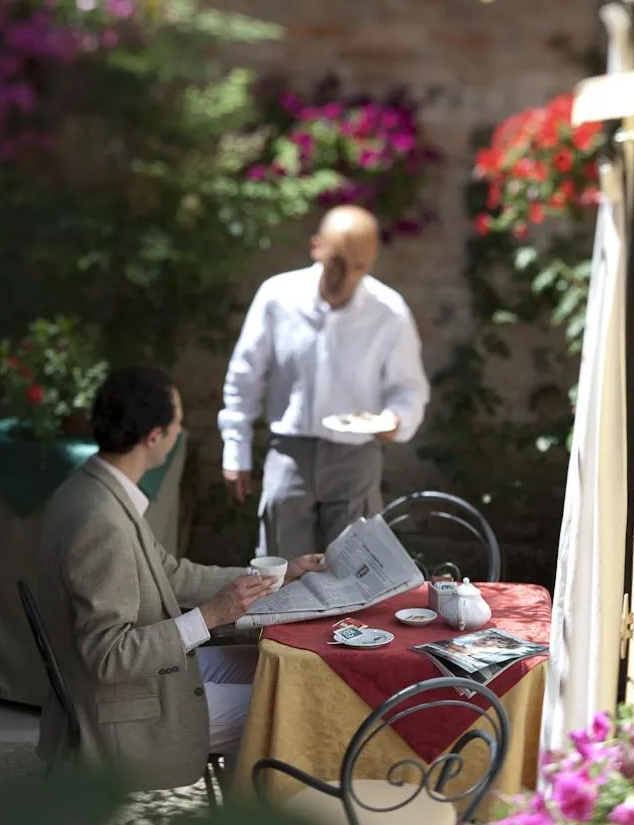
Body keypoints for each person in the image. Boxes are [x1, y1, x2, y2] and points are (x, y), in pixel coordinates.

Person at [36, 366, 324, 790]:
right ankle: (261, 823)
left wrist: (275, 576)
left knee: (271, 666)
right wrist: (210, 616)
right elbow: (109, 656)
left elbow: (169, 573)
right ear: (154, 437)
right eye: (178, 424)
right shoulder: (103, 522)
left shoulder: (91, 487)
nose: (179, 433)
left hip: (127, 689)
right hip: (122, 713)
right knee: (290, 706)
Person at [219, 205, 430, 559]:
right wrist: (235, 448)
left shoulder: (389, 312)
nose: (345, 276)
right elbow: (245, 376)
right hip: (290, 452)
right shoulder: (277, 297)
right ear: (316, 246)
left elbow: (408, 388)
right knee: (279, 571)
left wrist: (397, 420)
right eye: (337, 262)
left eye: (358, 266)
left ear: (372, 263)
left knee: (357, 571)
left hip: (356, 458)